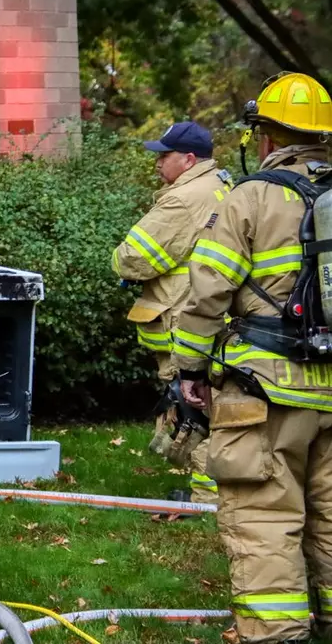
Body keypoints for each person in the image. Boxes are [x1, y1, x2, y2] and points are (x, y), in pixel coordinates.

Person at [174, 72, 332, 643]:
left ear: (263, 135)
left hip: (264, 389)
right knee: (331, 517)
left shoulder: (253, 196)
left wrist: (188, 372)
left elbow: (208, 290)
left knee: (265, 516)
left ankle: (277, 633)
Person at [113, 121, 231, 506]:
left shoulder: (183, 200)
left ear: (189, 159)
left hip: (184, 317)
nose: (157, 162)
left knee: (197, 407)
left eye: (164, 155)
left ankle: (207, 498)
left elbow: (132, 258)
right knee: (216, 403)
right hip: (216, 315)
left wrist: (119, 260)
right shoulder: (221, 185)